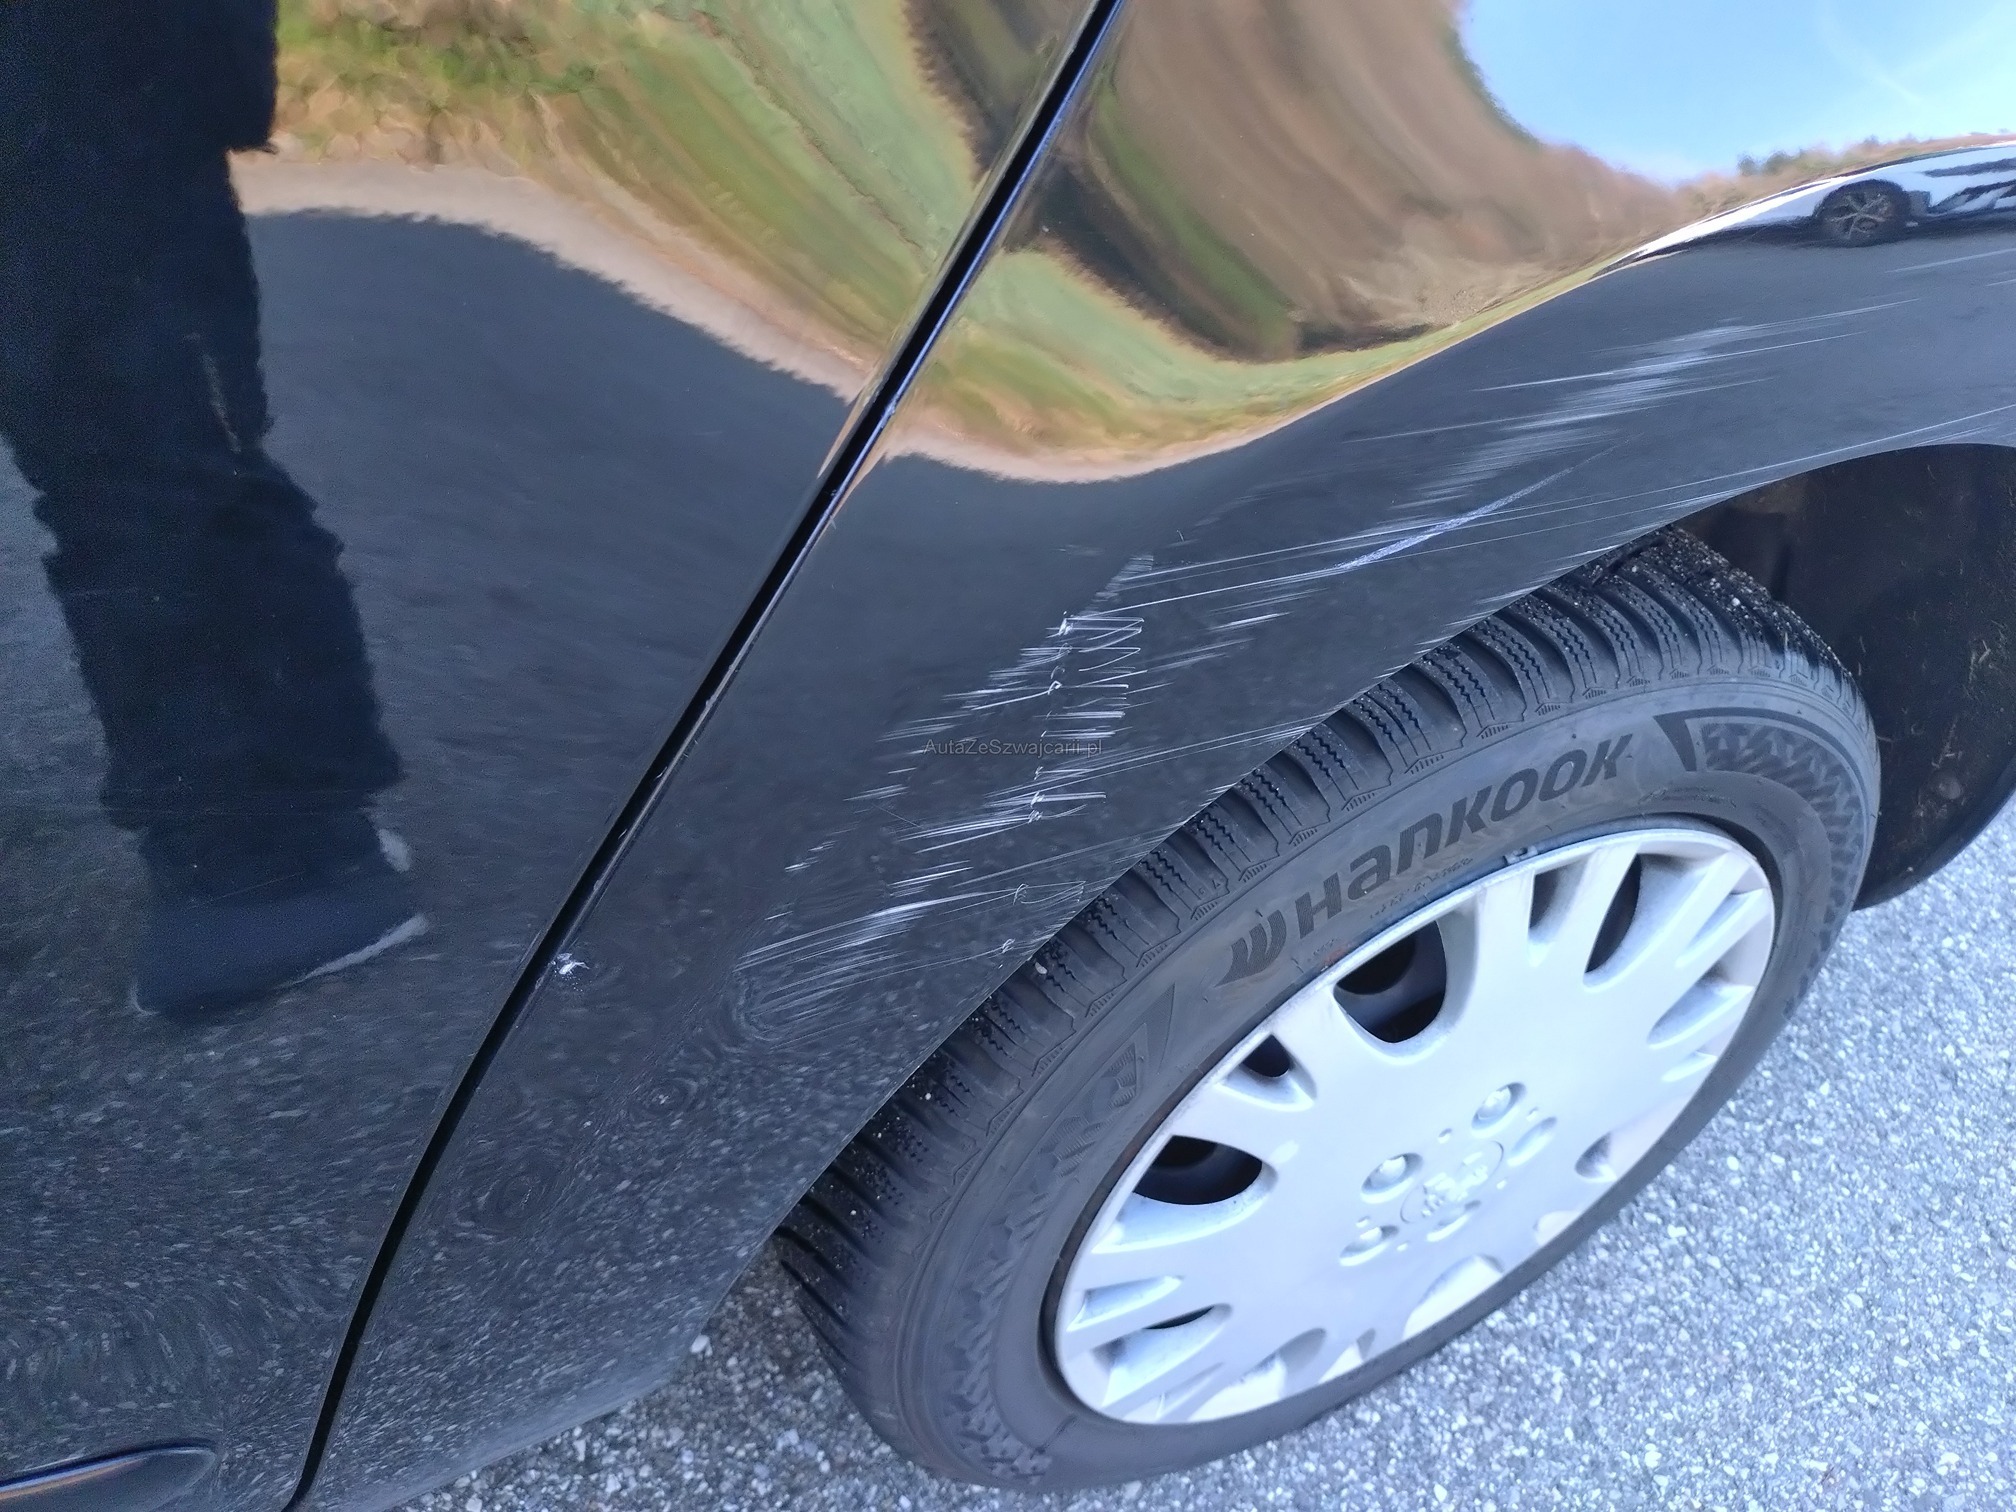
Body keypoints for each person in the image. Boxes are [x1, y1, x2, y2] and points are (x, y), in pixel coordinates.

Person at [0, 0, 422, 1019]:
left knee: (139, 459)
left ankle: (281, 836)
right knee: (149, 468)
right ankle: (262, 868)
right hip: (73, 98)